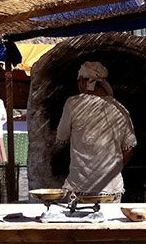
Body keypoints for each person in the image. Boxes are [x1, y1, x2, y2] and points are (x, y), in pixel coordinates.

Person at [55, 62, 137, 202]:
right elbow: (129, 148)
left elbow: (61, 136)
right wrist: (114, 168)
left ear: (82, 81)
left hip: (80, 187)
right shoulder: (119, 108)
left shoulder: (72, 104)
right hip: (111, 188)